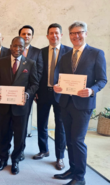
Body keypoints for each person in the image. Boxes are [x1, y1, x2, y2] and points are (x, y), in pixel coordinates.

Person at [53, 21, 107, 185]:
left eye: (79, 32)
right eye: (72, 33)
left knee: (77, 140)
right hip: (66, 103)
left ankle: (80, 177)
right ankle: (72, 169)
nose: (76, 36)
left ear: (85, 33)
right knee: (69, 139)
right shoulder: (65, 56)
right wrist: (57, 86)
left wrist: (92, 90)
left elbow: (102, 79)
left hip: (83, 105)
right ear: (69, 36)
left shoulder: (96, 53)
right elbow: (59, 78)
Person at [0, 37, 38, 175]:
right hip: (4, 106)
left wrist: (27, 94)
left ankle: (15, 161)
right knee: (3, 134)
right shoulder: (1, 62)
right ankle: (2, 160)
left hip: (21, 108)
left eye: (21, 47)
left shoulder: (30, 63)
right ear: (10, 46)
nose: (18, 49)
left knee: (20, 136)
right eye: (15, 46)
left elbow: (34, 84)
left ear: (24, 48)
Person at [35, 23, 71, 170]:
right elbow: (37, 73)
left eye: (57, 33)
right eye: (51, 33)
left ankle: (60, 157)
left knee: (60, 126)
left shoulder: (69, 52)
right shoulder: (40, 52)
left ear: (61, 35)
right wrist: (36, 90)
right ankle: (44, 150)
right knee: (41, 124)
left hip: (61, 95)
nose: (54, 35)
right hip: (43, 93)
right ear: (47, 36)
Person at [18, 25, 44, 161]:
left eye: (28, 34)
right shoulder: (12, 50)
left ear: (32, 37)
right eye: (23, 34)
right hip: (12, 94)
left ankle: (20, 150)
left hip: (28, 94)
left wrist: (33, 91)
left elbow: (39, 73)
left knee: (23, 123)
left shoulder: (37, 52)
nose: (26, 36)